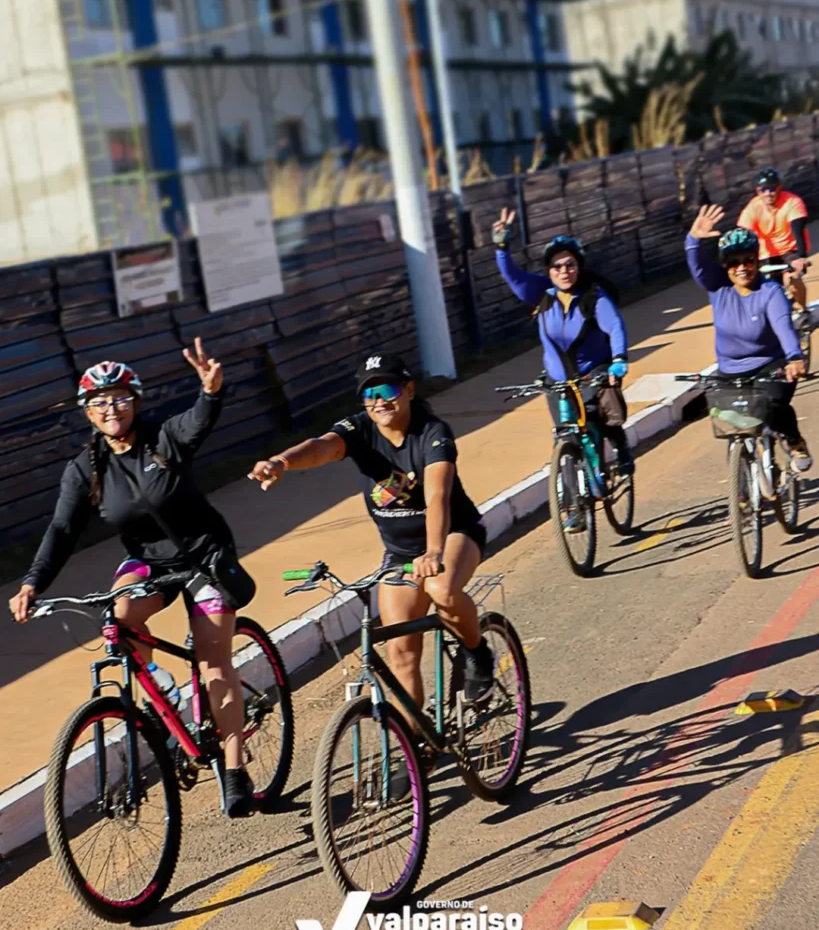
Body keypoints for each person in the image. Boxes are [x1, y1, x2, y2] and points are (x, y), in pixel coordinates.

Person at [8, 339, 256, 818]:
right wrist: (32, 583)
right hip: (149, 561)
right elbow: (62, 529)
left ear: (136, 402)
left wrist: (211, 392)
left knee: (213, 664)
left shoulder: (163, 439)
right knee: (117, 619)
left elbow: (198, 421)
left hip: (203, 557)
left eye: (120, 398)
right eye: (99, 401)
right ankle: (164, 691)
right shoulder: (86, 469)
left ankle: (234, 769)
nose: (111, 408)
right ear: (87, 412)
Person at [248, 353, 491, 797]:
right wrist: (281, 462)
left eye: (388, 390)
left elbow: (437, 497)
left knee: (440, 587)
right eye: (369, 393)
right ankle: (416, 745)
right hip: (400, 553)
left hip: (453, 534)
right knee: (400, 653)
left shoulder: (432, 433)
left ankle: (477, 653)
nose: (379, 400)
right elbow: (321, 447)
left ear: (409, 390)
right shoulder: (359, 430)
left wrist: (434, 551)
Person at [491, 207, 633, 477]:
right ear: (549, 270)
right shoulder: (542, 295)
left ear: (579, 267)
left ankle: (620, 446)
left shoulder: (593, 296)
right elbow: (513, 276)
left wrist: (619, 360)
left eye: (570, 265)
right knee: (564, 438)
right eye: (556, 266)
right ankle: (570, 499)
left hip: (593, 372)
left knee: (600, 419)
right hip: (558, 379)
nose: (563, 271)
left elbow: (615, 326)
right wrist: (501, 247)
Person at [686, 204, 811, 471]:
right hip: (730, 369)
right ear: (724, 265)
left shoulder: (770, 292)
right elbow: (697, 267)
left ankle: (794, 440)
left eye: (748, 260)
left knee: (773, 405)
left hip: (770, 365)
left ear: (757, 261)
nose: (741, 267)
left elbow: (783, 327)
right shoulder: (718, 288)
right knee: (725, 417)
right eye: (733, 262)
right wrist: (694, 239)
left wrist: (794, 357)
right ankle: (741, 479)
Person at [737, 167, 810, 311]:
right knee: (765, 289)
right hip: (766, 254)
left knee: (791, 280)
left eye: (771, 189)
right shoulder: (753, 207)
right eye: (763, 190)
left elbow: (798, 230)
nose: (767, 194)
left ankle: (803, 310)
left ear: (779, 187)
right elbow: (744, 234)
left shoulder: (792, 201)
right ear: (758, 191)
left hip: (790, 249)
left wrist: (801, 257)